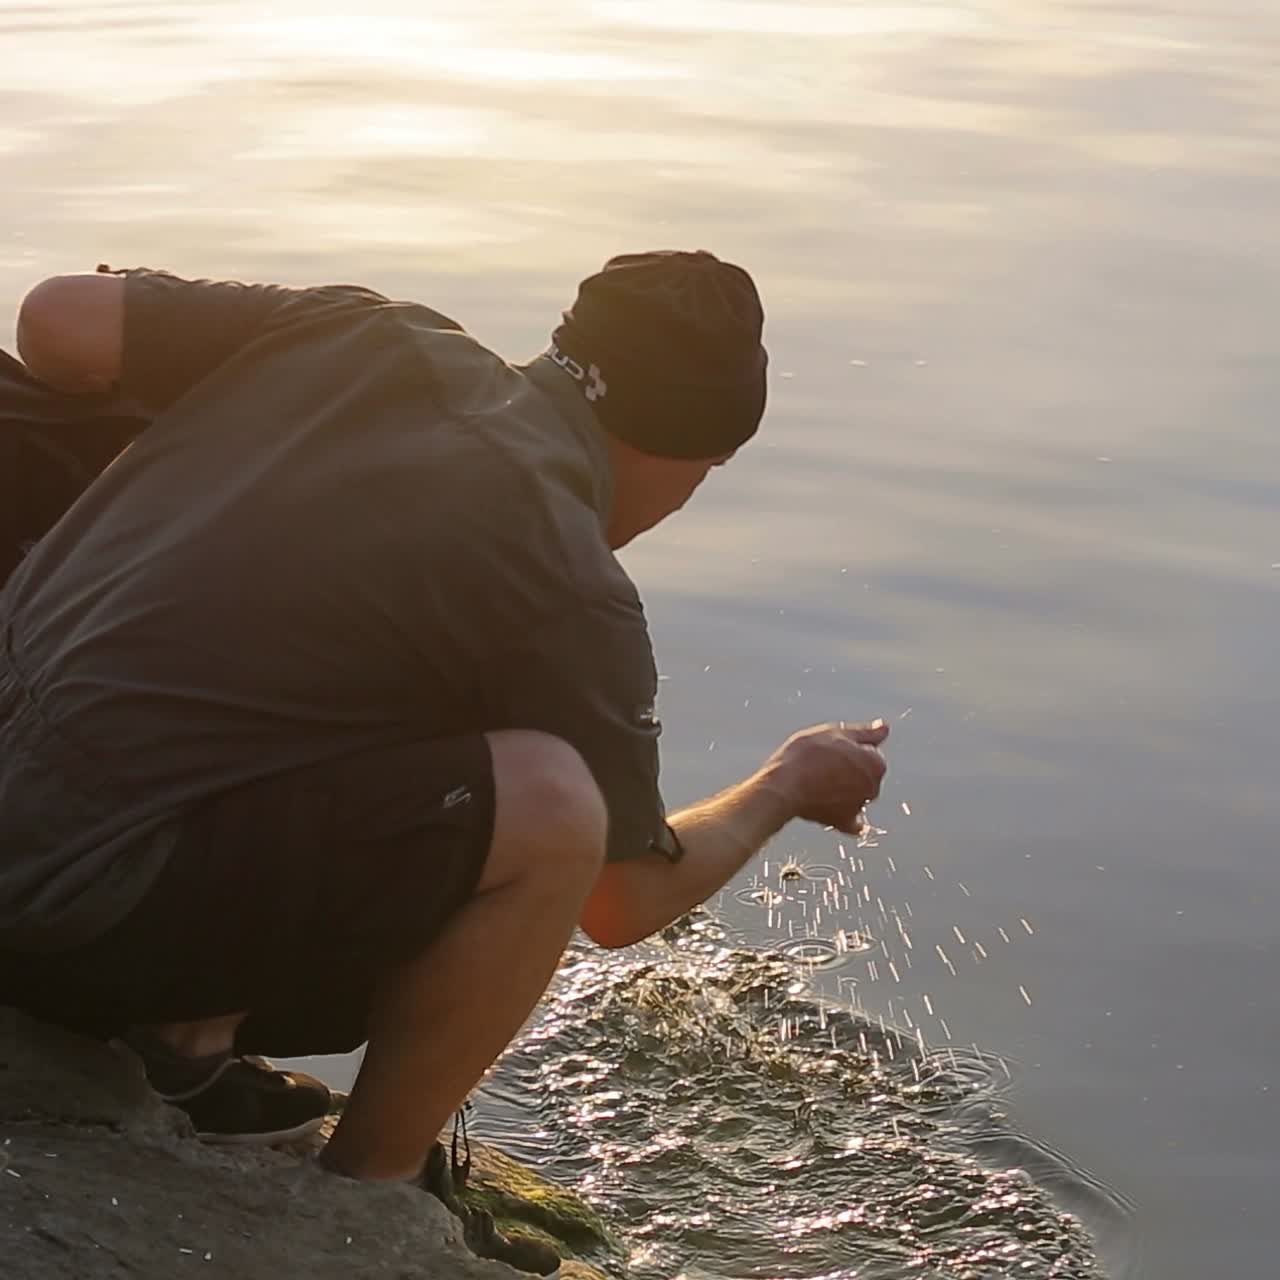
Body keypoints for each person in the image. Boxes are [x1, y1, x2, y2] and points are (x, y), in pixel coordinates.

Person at [0, 251, 888, 1193]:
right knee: (551, 806)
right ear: (691, 456)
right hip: (60, 921)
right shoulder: (567, 578)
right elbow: (620, 903)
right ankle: (370, 1190)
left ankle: (183, 1040)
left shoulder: (360, 328)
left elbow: (58, 319)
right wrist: (784, 784)